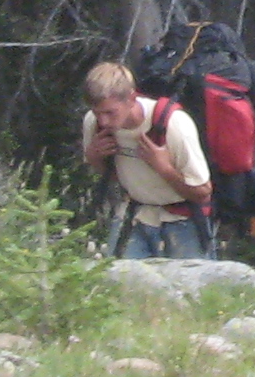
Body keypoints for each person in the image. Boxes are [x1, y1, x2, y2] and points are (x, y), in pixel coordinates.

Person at [79, 59, 216, 259]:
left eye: (110, 112)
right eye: (97, 113)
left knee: (190, 288)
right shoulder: (93, 123)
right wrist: (93, 158)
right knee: (121, 286)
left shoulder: (174, 125)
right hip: (135, 215)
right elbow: (120, 176)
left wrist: (164, 169)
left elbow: (203, 193)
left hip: (183, 221)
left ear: (132, 98)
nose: (103, 121)